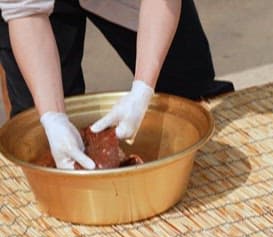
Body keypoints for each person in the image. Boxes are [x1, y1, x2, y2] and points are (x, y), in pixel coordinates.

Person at [0, 0, 233, 169]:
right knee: (37, 127)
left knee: (189, 90)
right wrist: (53, 117)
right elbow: (25, 13)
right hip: (38, 14)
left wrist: (143, 87)